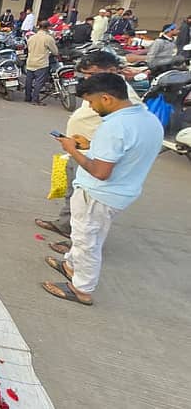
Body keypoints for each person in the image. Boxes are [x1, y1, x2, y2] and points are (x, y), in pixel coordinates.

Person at [42, 73, 163, 306]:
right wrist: (90, 145)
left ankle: (81, 289)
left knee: (87, 240)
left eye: (91, 102)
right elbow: (129, 151)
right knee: (87, 234)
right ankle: (70, 265)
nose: (90, 107)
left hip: (98, 194)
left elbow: (100, 171)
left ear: (106, 98)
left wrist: (72, 149)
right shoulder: (148, 120)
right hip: (122, 192)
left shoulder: (116, 126)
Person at [35, 51, 142, 251]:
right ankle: (67, 227)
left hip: (97, 161)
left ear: (111, 71)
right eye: (84, 75)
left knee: (87, 224)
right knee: (74, 196)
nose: (87, 79)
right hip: (84, 150)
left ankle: (76, 249)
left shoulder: (125, 104)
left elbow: (116, 147)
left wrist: (84, 146)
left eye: (91, 74)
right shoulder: (102, 89)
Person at [24, 20, 59, 105]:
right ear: (47, 28)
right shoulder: (48, 38)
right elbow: (55, 52)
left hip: (30, 62)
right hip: (41, 63)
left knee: (28, 81)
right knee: (38, 82)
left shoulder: (31, 38)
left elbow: (28, 48)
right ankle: (35, 100)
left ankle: (27, 97)